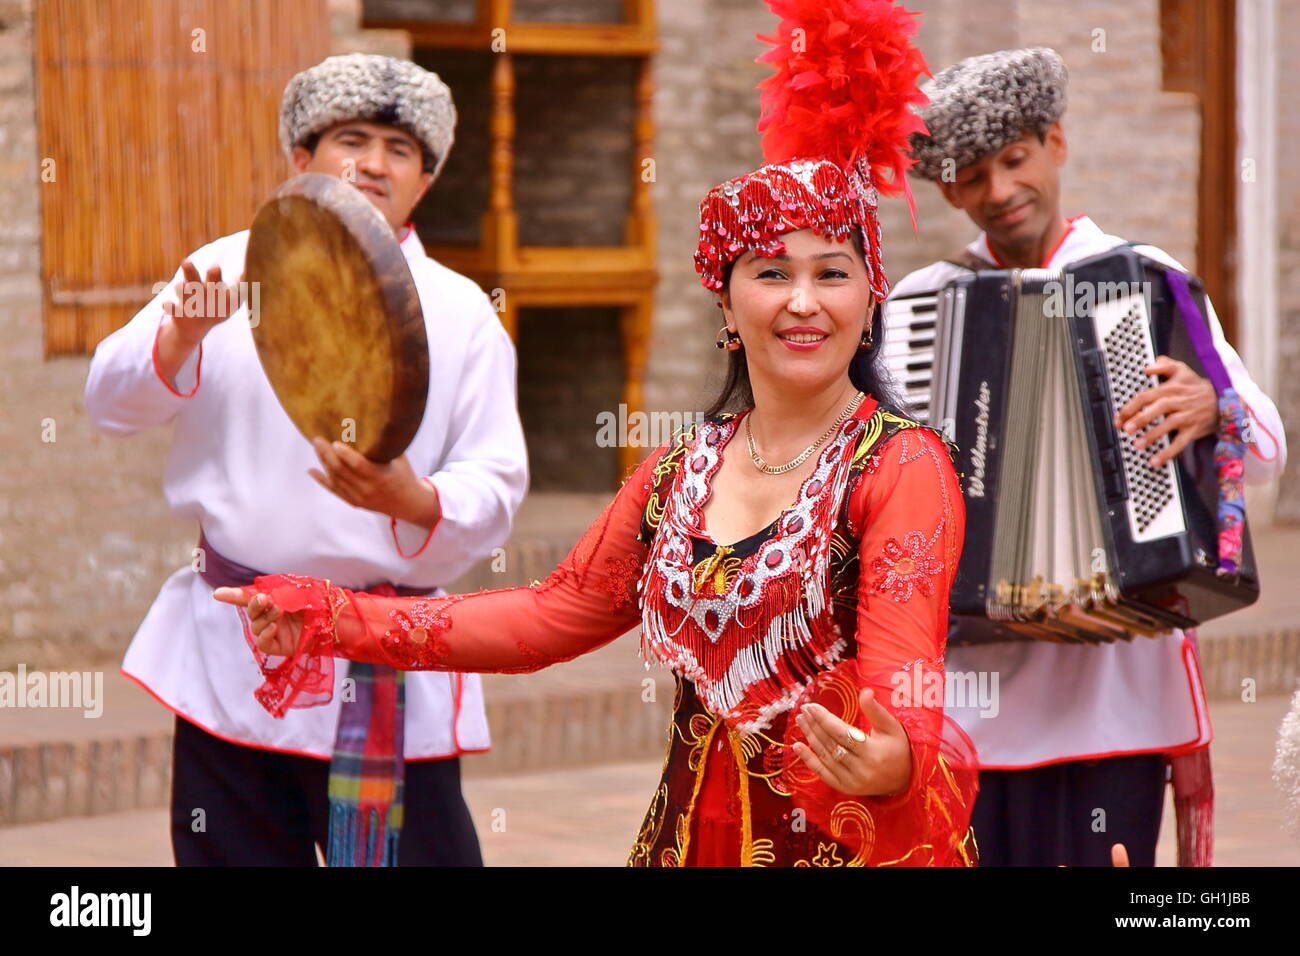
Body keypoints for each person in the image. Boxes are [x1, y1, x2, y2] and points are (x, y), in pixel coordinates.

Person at [215, 0, 979, 868]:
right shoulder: (680, 474)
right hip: (688, 842)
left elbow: (905, 673)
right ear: (728, 304)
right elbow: (545, 619)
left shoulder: (899, 466)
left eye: (831, 274)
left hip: (849, 843)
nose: (804, 302)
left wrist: (898, 756)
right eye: (772, 273)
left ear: (870, 298)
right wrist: (332, 615)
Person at [84, 53, 529, 867]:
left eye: (399, 149)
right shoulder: (221, 270)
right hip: (235, 650)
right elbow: (107, 404)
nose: (372, 162)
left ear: (425, 181)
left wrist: (414, 499)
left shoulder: (464, 314)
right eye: (350, 139)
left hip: (385, 650)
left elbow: (496, 484)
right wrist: (180, 333)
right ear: (301, 159)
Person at [890, 47, 1287, 866]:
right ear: (946, 190)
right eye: (971, 176)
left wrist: (1214, 407)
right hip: (972, 703)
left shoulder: (1146, 278)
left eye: (1015, 159)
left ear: (1057, 143)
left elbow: (1270, 444)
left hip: (1117, 699)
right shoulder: (916, 308)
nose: (998, 192)